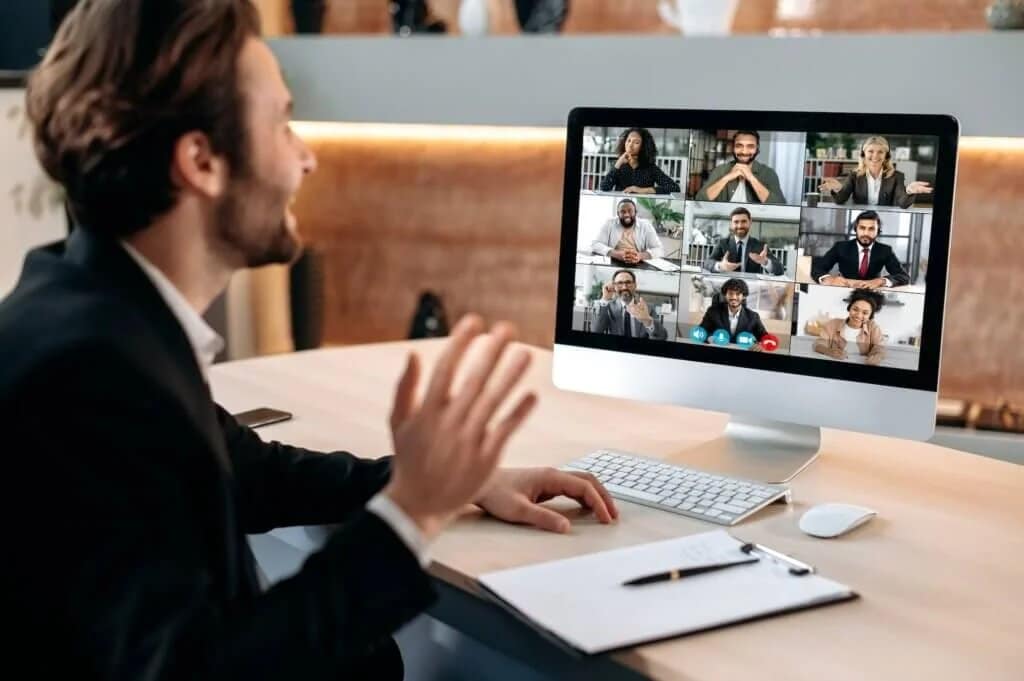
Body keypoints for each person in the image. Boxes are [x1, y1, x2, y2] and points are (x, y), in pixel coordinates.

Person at [0, 2, 619, 678]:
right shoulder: (93, 372)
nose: (307, 156)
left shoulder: (92, 308)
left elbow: (248, 472)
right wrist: (409, 514)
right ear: (200, 161)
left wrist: (442, 484)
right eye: (282, 123)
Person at [818, 136, 932, 208]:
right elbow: (840, 200)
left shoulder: (897, 176)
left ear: (886, 156)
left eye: (880, 152)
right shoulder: (854, 175)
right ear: (863, 154)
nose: (875, 156)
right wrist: (838, 188)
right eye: (870, 151)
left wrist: (909, 191)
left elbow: (902, 203)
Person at [811, 210, 910, 288]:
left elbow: (903, 276)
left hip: (872, 292)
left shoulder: (885, 250)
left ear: (878, 231)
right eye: (862, 228)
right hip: (843, 288)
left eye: (871, 229)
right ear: (856, 229)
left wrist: (882, 281)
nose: (866, 233)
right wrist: (828, 279)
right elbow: (817, 267)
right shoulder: (840, 247)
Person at [695, 130, 786, 204]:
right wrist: (727, 177)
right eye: (739, 146)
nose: (744, 151)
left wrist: (751, 178)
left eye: (750, 146)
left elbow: (780, 205)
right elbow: (699, 200)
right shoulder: (720, 170)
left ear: (757, 149)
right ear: (733, 148)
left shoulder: (768, 173)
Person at [702, 207, 785, 276]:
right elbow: (707, 263)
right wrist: (720, 266)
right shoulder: (722, 243)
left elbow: (780, 269)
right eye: (736, 222)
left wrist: (766, 262)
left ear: (750, 222)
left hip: (753, 289)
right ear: (731, 224)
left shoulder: (760, 245)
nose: (740, 226)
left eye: (744, 221)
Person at [813, 289, 887, 366]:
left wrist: (876, 356)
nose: (858, 315)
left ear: (870, 316)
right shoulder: (833, 324)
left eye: (865, 313)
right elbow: (818, 344)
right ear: (849, 308)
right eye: (855, 309)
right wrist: (829, 351)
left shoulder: (873, 327)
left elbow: (880, 348)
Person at [599, 127, 681, 195]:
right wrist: (618, 163)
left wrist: (642, 190)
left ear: (643, 147)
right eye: (629, 140)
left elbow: (675, 188)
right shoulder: (619, 166)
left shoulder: (650, 168)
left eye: (636, 142)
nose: (630, 145)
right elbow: (604, 187)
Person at [592, 270, 668, 340]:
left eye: (628, 282)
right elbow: (596, 331)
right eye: (620, 283)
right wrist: (605, 299)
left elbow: (662, 337)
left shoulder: (647, 308)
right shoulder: (607, 307)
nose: (624, 287)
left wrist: (647, 321)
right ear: (614, 286)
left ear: (635, 285)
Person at [695, 278, 767, 350]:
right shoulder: (713, 312)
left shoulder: (753, 316)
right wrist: (710, 338)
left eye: (738, 294)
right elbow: (699, 332)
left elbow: (765, 337)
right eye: (730, 293)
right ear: (725, 295)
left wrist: (761, 344)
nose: (733, 297)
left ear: (744, 296)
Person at [591, 197, 665, 264]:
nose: (626, 215)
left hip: (638, 262)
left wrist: (639, 256)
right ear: (618, 213)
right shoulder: (609, 223)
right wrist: (616, 254)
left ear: (635, 212)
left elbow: (659, 250)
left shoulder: (646, 225)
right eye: (623, 212)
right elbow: (596, 244)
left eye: (630, 211)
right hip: (614, 261)